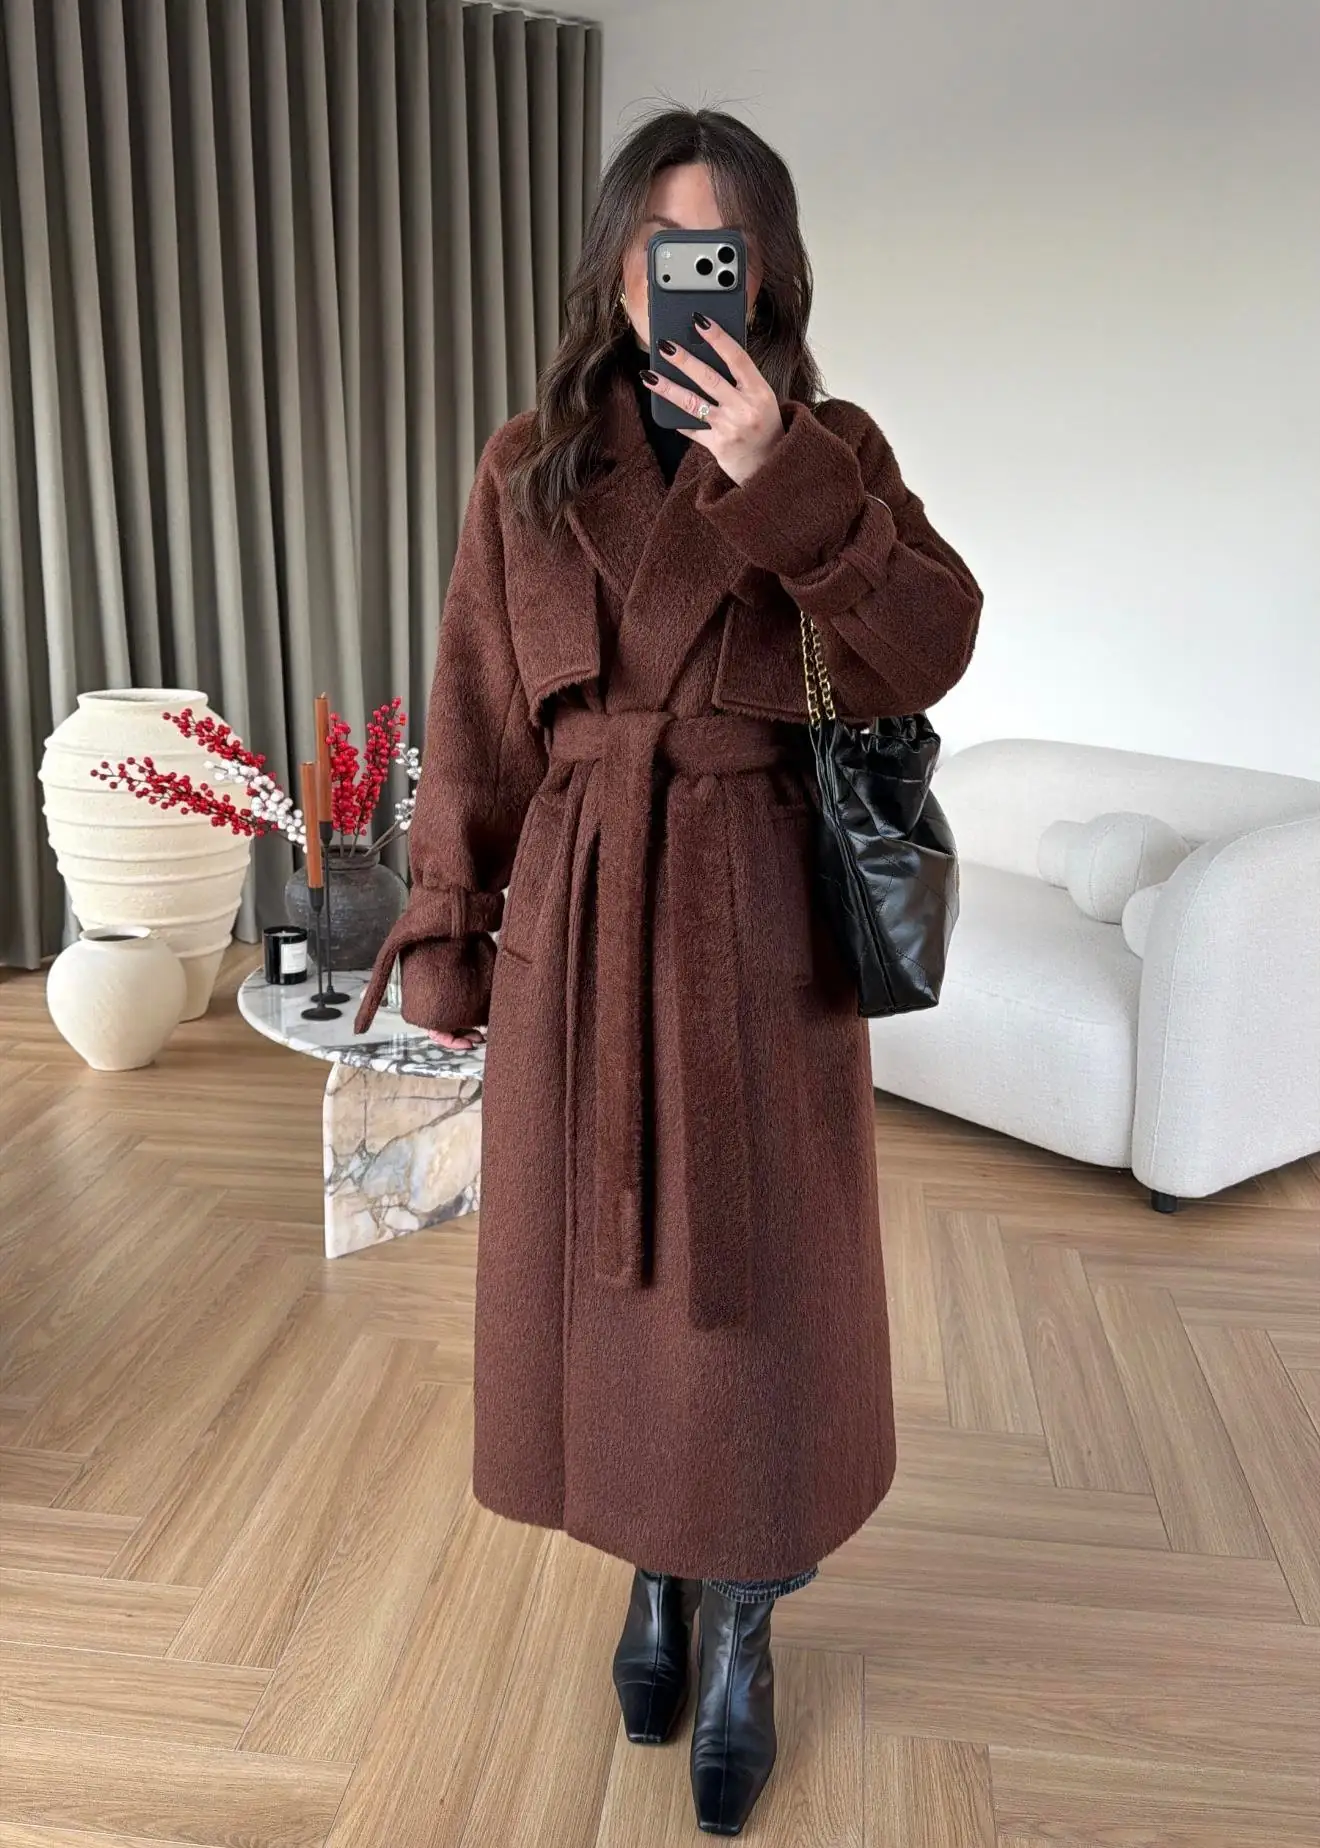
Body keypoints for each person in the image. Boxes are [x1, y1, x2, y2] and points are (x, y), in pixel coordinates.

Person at [354, 106, 983, 1838]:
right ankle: (652, 1572)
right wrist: (450, 921)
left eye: (722, 248)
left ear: (765, 274)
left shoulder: (832, 451)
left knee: (754, 1298)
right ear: (614, 265)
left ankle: (745, 1627)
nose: (687, 276)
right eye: (658, 244)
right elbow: (478, 718)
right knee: (609, 1285)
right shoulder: (527, 467)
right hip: (582, 913)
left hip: (755, 924)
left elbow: (934, 643)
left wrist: (786, 477)